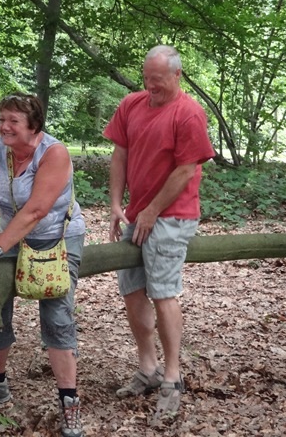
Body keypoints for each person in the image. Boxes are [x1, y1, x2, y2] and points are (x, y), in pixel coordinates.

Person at [0, 92, 86, 437]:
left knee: (57, 317)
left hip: (54, 238)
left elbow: (37, 210)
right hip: (12, 237)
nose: (5, 126)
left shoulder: (54, 153)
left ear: (34, 126)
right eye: (2, 119)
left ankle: (70, 403)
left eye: (14, 120)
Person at [103, 45, 215, 419]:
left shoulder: (189, 114)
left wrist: (152, 211)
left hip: (173, 216)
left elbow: (185, 171)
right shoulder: (131, 105)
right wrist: (118, 204)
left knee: (163, 292)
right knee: (132, 290)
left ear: (177, 76)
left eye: (159, 81)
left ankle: (172, 376)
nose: (151, 87)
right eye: (147, 79)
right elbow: (120, 154)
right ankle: (148, 368)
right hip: (138, 214)